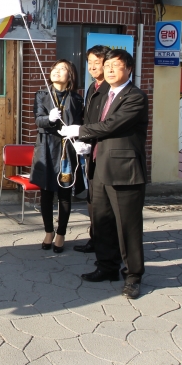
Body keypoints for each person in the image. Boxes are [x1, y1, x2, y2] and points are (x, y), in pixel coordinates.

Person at [59, 49, 148, 299]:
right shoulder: (101, 94)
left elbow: (111, 125)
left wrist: (81, 130)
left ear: (129, 69)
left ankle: (133, 275)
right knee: (101, 222)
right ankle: (107, 267)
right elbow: (95, 124)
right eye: (107, 65)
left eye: (116, 65)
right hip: (97, 167)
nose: (109, 69)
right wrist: (85, 143)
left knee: (127, 226)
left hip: (124, 171)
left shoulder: (135, 96)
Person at [30, 59, 83, 253]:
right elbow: (38, 120)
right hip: (46, 149)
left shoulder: (76, 99)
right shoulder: (42, 95)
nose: (57, 72)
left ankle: (61, 233)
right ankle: (48, 231)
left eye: (63, 69)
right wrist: (49, 119)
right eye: (55, 69)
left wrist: (76, 134)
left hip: (66, 150)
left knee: (64, 193)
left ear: (70, 76)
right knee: (46, 193)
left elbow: (78, 123)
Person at [73, 45, 110, 254]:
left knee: (103, 202)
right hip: (91, 152)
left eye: (98, 62)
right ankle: (94, 239)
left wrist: (86, 134)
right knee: (92, 199)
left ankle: (105, 244)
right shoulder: (92, 88)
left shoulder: (110, 90)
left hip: (105, 152)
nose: (93, 67)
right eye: (90, 63)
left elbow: (105, 123)